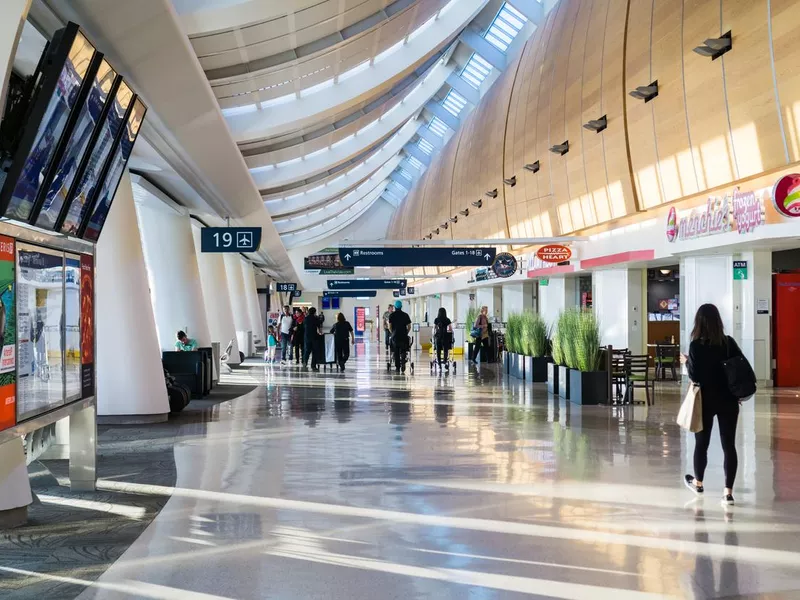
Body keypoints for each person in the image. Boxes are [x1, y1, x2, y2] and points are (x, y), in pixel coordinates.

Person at [681, 303, 743, 506]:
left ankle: (698, 483)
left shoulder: (696, 346)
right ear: (718, 321)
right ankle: (728, 493)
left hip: (705, 400)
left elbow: (695, 376)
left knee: (702, 444)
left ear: (698, 322)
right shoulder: (728, 343)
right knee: (729, 446)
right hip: (729, 400)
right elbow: (739, 367)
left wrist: (687, 362)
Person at [388, 300, 412, 372]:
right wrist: (406, 332)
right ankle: (403, 362)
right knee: (403, 350)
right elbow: (409, 326)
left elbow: (389, 327)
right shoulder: (405, 315)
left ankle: (397, 367)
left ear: (395, 307)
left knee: (396, 352)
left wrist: (393, 333)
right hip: (403, 336)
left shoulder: (391, 315)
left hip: (395, 336)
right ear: (401, 306)